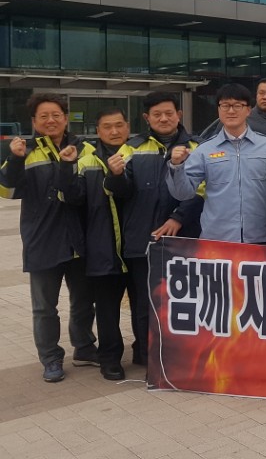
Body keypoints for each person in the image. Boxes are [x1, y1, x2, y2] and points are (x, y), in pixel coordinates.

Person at [0, 93, 96, 383]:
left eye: (56, 115)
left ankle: (84, 347)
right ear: (34, 121)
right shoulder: (24, 151)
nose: (50, 120)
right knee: (44, 307)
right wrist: (15, 160)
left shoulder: (85, 149)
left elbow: (89, 191)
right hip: (42, 240)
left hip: (80, 239)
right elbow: (7, 192)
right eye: (44, 116)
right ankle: (51, 358)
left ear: (65, 118)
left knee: (83, 301)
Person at [103, 91, 203, 367]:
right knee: (144, 303)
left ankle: (180, 355)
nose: (164, 118)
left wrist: (179, 217)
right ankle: (149, 358)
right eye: (157, 114)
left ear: (179, 115)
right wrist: (115, 175)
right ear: (147, 118)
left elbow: (205, 189)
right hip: (142, 240)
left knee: (183, 300)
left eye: (169, 113)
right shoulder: (131, 147)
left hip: (184, 239)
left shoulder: (197, 146)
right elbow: (119, 192)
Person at [56, 107, 131, 381]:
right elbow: (72, 197)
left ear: (128, 126)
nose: (114, 131)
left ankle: (145, 352)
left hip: (138, 246)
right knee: (107, 309)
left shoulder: (139, 153)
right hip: (103, 247)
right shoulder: (86, 160)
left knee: (144, 307)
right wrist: (66, 166)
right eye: (107, 127)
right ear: (98, 131)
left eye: (119, 125)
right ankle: (110, 359)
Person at [167, 84, 266, 245]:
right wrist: (176, 166)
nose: (231, 111)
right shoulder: (204, 150)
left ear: (248, 110)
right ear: (218, 109)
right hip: (216, 240)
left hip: (258, 238)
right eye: (225, 105)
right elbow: (183, 193)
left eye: (237, 105)